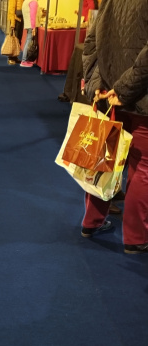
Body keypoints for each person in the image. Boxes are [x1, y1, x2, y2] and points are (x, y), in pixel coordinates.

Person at [81, 0, 148, 254]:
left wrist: (98, 84)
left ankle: (92, 222)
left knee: (104, 159)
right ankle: (136, 236)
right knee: (142, 167)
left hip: (111, 94)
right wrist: (124, 88)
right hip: (137, 96)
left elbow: (92, 43)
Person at [20, 0, 40, 68]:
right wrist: (33, 27)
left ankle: (24, 59)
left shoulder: (26, 1)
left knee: (27, 41)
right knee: (28, 41)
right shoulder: (33, 2)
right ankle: (24, 60)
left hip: (28, 24)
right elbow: (33, 15)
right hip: (31, 25)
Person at [7, 0, 23, 65]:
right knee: (13, 40)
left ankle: (15, 56)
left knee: (18, 40)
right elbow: (12, 9)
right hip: (15, 19)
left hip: (20, 18)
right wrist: (12, 23)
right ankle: (11, 58)